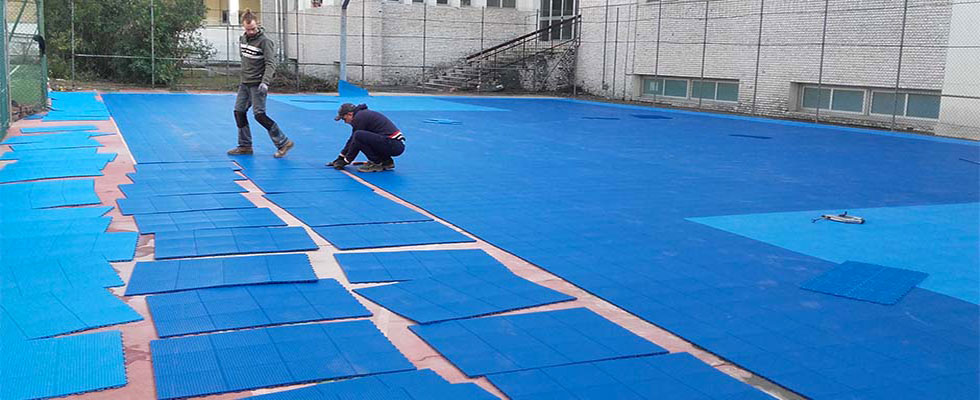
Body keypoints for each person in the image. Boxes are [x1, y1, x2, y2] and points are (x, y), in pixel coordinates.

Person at [227, 9, 294, 158]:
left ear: (257, 24)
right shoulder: (243, 39)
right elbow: (245, 61)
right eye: (248, 29)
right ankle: (245, 146)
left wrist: (265, 82)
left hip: (258, 84)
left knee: (259, 115)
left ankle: (283, 143)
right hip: (244, 83)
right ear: (243, 27)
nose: (251, 32)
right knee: (239, 112)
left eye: (253, 29)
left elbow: (271, 64)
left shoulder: (265, 42)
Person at [328, 103, 405, 172]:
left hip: (393, 144)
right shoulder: (362, 114)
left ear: (350, 114)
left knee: (359, 135)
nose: (345, 122)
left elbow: (356, 141)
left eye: (344, 119)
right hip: (394, 144)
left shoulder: (360, 117)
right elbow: (352, 140)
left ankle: (376, 163)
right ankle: (386, 161)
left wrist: (346, 161)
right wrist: (341, 157)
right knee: (360, 136)